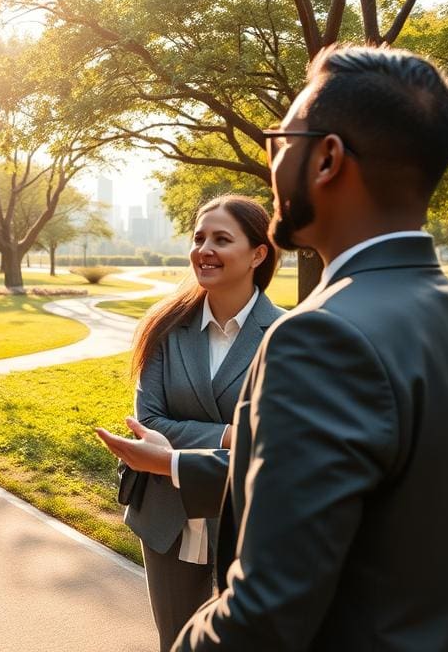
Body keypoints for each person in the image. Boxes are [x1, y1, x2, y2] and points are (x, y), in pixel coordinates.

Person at [98, 45, 448, 651]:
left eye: (280, 141)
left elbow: (265, 613)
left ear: (327, 159)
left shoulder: (319, 334)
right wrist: (181, 461)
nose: (274, 162)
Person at [126, 195, 283, 651]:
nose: (204, 249)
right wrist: (235, 434)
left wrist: (185, 438)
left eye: (221, 239)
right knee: (174, 639)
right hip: (165, 516)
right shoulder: (163, 327)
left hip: (249, 519)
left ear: (258, 253)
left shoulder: (287, 334)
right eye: (198, 238)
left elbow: (277, 441)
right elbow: (148, 420)